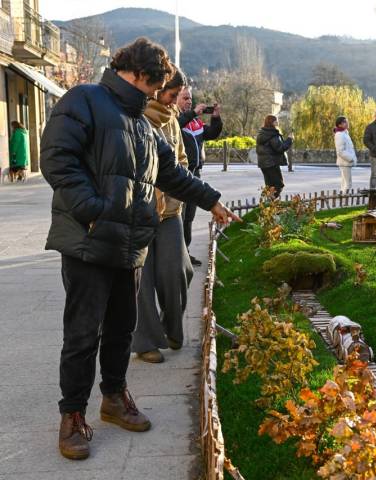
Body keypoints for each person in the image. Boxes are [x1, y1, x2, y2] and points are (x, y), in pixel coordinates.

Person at [40, 37, 239, 461]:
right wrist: (93, 211)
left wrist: (213, 201)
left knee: (121, 329)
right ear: (138, 75)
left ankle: (113, 398)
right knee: (82, 334)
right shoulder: (85, 100)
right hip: (89, 241)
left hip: (129, 245)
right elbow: (57, 158)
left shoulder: (143, 125)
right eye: (154, 86)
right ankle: (72, 416)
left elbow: (173, 175)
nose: (157, 95)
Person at [132, 66, 193, 364]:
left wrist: (178, 184)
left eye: (176, 96)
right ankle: (145, 342)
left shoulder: (171, 121)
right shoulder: (135, 116)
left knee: (179, 272)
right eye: (171, 94)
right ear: (157, 89)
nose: (173, 101)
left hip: (170, 211)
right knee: (141, 282)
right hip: (140, 213)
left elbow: (181, 159)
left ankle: (171, 327)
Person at [177, 86, 223, 265]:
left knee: (189, 217)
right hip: (180, 174)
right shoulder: (174, 118)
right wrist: (192, 114)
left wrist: (216, 117)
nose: (189, 101)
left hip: (195, 173)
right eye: (185, 98)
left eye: (190, 98)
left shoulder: (195, 123)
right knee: (179, 217)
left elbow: (211, 133)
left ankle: (185, 252)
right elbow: (176, 123)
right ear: (175, 99)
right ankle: (177, 255)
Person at [256, 114, 293, 197]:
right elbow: (279, 148)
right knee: (278, 185)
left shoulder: (263, 132)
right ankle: (269, 203)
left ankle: (265, 204)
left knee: (269, 186)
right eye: (275, 120)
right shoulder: (272, 134)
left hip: (264, 164)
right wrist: (289, 139)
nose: (277, 122)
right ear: (271, 122)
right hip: (271, 163)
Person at [334, 116, 357, 191]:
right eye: (344, 122)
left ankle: (343, 199)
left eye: (347, 121)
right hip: (345, 162)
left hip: (346, 162)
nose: (347, 123)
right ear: (339, 125)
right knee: (348, 183)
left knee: (344, 182)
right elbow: (340, 151)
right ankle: (345, 199)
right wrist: (350, 158)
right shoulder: (340, 135)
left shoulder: (345, 133)